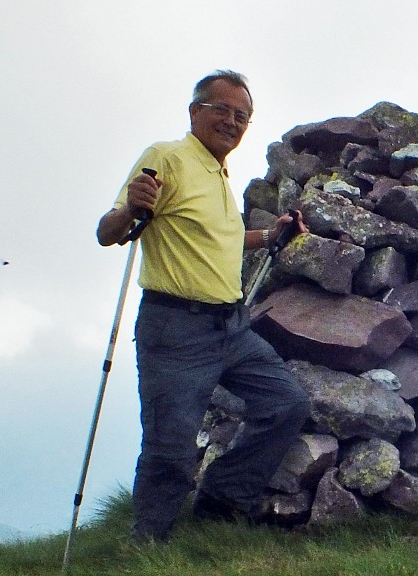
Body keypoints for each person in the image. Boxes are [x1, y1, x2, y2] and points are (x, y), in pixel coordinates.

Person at [97, 70, 310, 543]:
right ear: (196, 111)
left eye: (243, 116)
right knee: (170, 447)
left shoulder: (217, 172)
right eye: (224, 110)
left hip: (230, 327)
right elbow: (108, 233)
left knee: (286, 404)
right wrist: (131, 208)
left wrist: (267, 236)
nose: (233, 122)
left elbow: (217, 240)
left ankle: (222, 501)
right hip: (175, 328)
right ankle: (148, 544)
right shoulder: (166, 158)